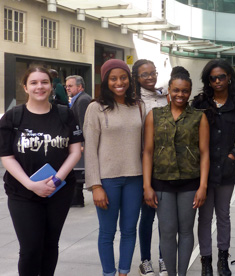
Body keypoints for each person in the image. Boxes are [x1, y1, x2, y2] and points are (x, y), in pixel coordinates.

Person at [0, 66, 83, 275]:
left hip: (58, 192)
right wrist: (30, 184)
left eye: (44, 82)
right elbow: (6, 157)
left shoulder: (64, 114)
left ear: (51, 85)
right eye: (34, 83)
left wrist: (55, 181)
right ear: (25, 87)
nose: (40, 87)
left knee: (50, 244)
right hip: (22, 193)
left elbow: (75, 151)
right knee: (30, 249)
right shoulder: (13, 117)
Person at [142, 68, 210, 276]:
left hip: (190, 183)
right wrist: (147, 186)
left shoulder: (199, 117)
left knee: (186, 232)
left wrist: (203, 186)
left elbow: (205, 153)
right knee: (168, 231)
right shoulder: (155, 115)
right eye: (176, 90)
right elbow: (148, 151)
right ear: (169, 90)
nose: (180, 95)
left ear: (190, 93)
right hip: (162, 182)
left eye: (185, 91)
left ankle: (182, 274)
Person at [84, 59, 145, 276]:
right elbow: (89, 149)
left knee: (129, 231)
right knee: (107, 233)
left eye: (123, 77)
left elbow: (144, 147)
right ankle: (108, 273)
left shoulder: (138, 106)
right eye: (113, 78)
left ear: (129, 79)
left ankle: (123, 272)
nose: (119, 82)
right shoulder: (95, 108)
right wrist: (95, 185)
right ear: (105, 80)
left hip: (135, 179)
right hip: (107, 180)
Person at [192, 59, 235, 276]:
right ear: (208, 80)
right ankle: (206, 261)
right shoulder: (200, 103)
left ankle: (223, 260)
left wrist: (233, 155)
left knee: (224, 215)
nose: (217, 81)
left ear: (229, 78)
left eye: (221, 77)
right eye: (213, 78)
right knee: (205, 217)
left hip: (227, 169)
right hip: (203, 171)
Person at [131, 59, 168, 276]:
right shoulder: (133, 102)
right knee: (147, 215)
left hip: (165, 164)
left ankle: (164, 257)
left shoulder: (165, 97)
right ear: (136, 77)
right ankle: (145, 260)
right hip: (142, 164)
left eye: (153, 73)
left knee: (165, 216)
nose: (151, 77)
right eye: (145, 75)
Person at [65, 75, 91, 207]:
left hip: (81, 143)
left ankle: (77, 199)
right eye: (66, 86)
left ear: (80, 87)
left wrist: (82, 143)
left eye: (70, 86)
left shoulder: (83, 100)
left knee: (78, 171)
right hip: (78, 142)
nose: (67, 88)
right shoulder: (78, 99)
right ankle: (76, 199)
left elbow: (84, 124)